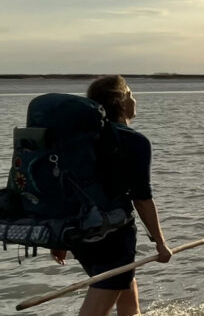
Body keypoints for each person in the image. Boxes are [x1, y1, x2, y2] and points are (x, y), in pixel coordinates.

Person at [51, 75, 172, 316]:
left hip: (80, 235)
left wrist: (59, 239)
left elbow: (61, 188)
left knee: (128, 304)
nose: (135, 100)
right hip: (113, 237)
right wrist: (161, 243)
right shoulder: (134, 141)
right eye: (131, 94)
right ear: (122, 101)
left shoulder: (76, 140)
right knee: (95, 310)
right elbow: (141, 197)